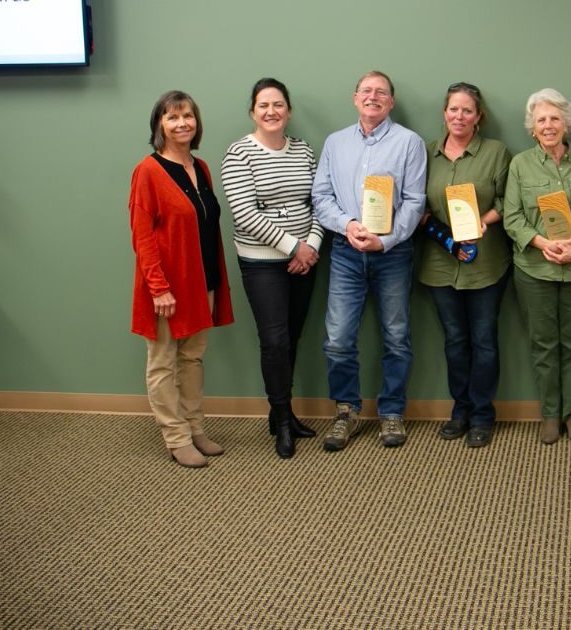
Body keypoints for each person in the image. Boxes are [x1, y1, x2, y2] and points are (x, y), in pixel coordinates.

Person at [312, 70, 427, 451]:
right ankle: (346, 409)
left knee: (396, 336)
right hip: (346, 251)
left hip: (393, 253)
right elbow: (321, 196)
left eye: (381, 92)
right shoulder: (335, 143)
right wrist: (348, 225)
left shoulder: (409, 143)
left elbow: (414, 201)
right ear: (355, 97)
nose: (373, 97)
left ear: (391, 102)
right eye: (366, 91)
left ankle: (392, 412)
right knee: (338, 338)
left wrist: (387, 239)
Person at [129, 91, 234, 468]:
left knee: (192, 359)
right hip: (167, 289)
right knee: (163, 363)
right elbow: (142, 237)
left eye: (187, 116)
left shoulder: (200, 167)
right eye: (172, 117)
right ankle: (175, 437)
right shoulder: (149, 171)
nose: (182, 123)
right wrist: (159, 288)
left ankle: (195, 427)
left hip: (201, 280)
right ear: (160, 124)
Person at [221, 78, 324, 460]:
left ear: (289, 110)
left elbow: (318, 203)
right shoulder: (239, 154)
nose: (271, 111)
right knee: (275, 341)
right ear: (253, 111)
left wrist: (310, 247)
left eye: (278, 104)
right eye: (263, 105)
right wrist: (292, 245)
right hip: (262, 264)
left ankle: (283, 411)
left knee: (292, 338)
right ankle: (281, 421)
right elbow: (245, 214)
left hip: (304, 263)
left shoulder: (303, 151)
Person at [503, 89, 571, 445]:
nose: (548, 125)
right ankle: (550, 414)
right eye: (541, 120)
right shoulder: (519, 165)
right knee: (543, 344)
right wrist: (543, 243)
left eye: (555, 118)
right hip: (534, 270)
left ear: (566, 124)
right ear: (532, 128)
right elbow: (512, 218)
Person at [418, 82, 511, 448]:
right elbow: (416, 203)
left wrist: (482, 223)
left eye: (467, 111)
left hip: (486, 264)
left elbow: (507, 199)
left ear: (478, 117)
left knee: (484, 341)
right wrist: (434, 226)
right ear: (445, 114)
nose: (459, 116)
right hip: (440, 264)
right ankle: (461, 410)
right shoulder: (426, 153)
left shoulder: (496, 152)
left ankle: (483, 415)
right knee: (455, 341)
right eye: (453, 110)